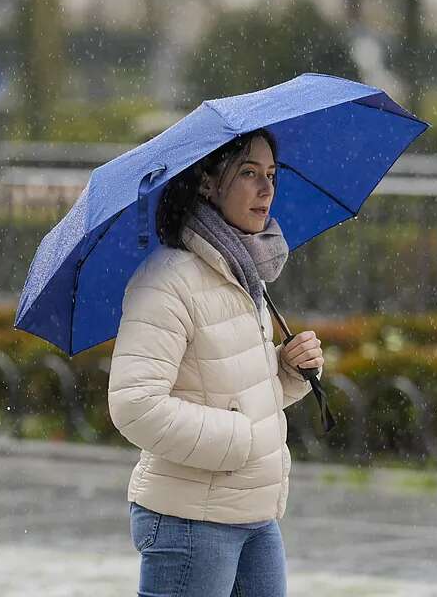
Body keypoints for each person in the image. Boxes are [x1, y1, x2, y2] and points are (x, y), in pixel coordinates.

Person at [108, 129, 323, 597]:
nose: (266, 189)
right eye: (248, 173)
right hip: (190, 520)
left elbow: (231, 390)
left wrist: (286, 373)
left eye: (271, 174)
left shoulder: (244, 275)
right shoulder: (167, 281)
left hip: (254, 513)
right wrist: (238, 438)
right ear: (207, 183)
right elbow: (134, 405)